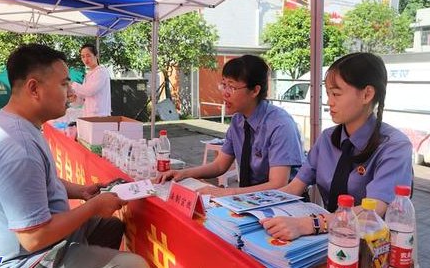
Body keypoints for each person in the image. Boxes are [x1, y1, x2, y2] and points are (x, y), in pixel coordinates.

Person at [0, 44, 148, 268]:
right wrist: (92, 207)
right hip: (18, 260)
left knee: (109, 227)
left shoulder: (17, 123)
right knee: (134, 264)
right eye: (64, 84)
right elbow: (34, 238)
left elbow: (40, 180)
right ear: (34, 89)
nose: (72, 93)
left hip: (32, 244)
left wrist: (80, 191)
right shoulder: (18, 148)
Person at [261, 52, 413, 240]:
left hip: (371, 248)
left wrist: (308, 224)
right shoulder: (327, 138)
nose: (329, 102)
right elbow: (294, 187)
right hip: (327, 238)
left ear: (367, 94)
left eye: (336, 94)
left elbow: (374, 210)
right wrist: (252, 205)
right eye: (327, 94)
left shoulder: (394, 147)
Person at [156, 55, 304, 197]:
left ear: (255, 90)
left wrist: (230, 193)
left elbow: (278, 184)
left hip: (284, 205)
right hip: (249, 200)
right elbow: (220, 165)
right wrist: (183, 173)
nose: (225, 93)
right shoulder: (238, 121)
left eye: (231, 87)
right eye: (224, 85)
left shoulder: (280, 125)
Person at [71, 43, 111, 117]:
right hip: (89, 115)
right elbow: (84, 97)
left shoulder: (101, 72)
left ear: (96, 56)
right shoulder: (88, 74)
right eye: (83, 57)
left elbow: (89, 91)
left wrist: (72, 84)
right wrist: (75, 98)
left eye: (88, 55)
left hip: (99, 115)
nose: (85, 59)